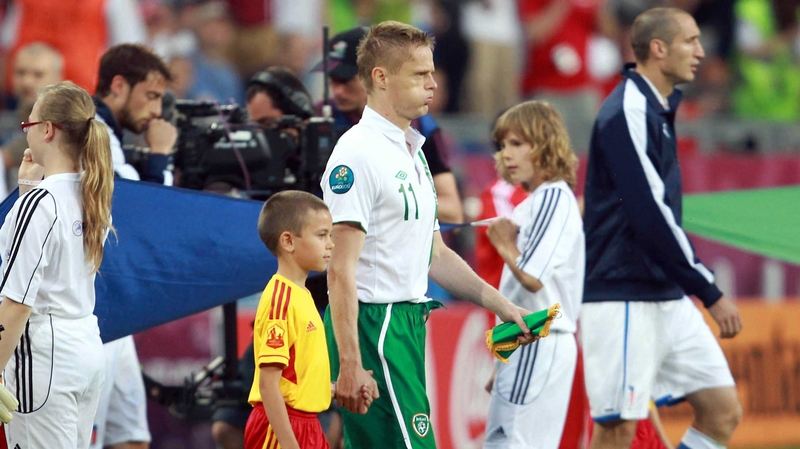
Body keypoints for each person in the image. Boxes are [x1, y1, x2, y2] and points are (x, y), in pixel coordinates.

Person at [321, 20, 533, 449]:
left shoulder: (412, 151)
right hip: (375, 326)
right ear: (380, 78)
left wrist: (503, 305)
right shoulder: (357, 154)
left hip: (405, 324)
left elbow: (434, 254)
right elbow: (340, 269)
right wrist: (350, 361)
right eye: (420, 74)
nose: (433, 84)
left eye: (431, 73)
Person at [582, 8, 743, 449]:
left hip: (663, 294)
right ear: (658, 49)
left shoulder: (656, 108)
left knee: (722, 411)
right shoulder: (627, 110)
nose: (702, 52)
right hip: (623, 294)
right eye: (690, 41)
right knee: (616, 430)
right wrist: (708, 289)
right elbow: (649, 212)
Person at [0, 81, 114, 448]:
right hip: (85, 341)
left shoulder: (40, 204)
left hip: (45, 353)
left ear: (47, 130)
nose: (27, 134)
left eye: (28, 126)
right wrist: (27, 190)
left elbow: (17, 302)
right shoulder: (91, 190)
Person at [210, 67, 319, 449]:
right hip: (283, 311)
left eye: (270, 125)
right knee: (227, 427)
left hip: (324, 313)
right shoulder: (251, 170)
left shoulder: (332, 165)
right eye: (255, 127)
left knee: (330, 427)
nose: (262, 139)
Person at [482, 100, 584, 449]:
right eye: (503, 145)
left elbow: (533, 278)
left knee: (510, 444)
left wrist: (504, 244)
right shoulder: (537, 200)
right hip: (527, 339)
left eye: (517, 144)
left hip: (540, 339)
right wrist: (504, 351)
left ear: (543, 145)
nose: (507, 155)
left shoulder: (553, 197)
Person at [90, 43, 176, 449]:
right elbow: (144, 214)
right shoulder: (91, 134)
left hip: (114, 318)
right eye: (152, 96)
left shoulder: (110, 136)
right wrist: (160, 156)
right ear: (119, 85)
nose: (156, 111)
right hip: (89, 315)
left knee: (131, 438)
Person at [244, 190, 371, 449]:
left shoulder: (302, 295)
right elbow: (269, 386)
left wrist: (337, 389)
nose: (331, 244)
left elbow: (294, 379)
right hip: (280, 427)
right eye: (322, 235)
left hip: (308, 424)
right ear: (288, 241)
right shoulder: (280, 300)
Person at [312, 26, 463, 224]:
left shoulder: (419, 129)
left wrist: (391, 199)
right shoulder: (316, 119)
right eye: (332, 81)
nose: (338, 91)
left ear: (376, 76)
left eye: (346, 80)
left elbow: (453, 211)